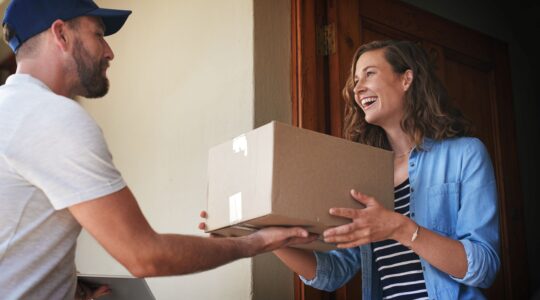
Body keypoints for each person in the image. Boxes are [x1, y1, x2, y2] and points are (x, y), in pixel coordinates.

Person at [0, 0, 314, 299]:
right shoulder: (52, 117)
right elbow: (145, 256)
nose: (109, 52)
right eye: (98, 34)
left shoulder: (10, 111)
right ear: (61, 34)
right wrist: (256, 242)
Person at [271, 40, 500, 299]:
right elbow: (333, 272)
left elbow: (484, 267)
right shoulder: (362, 176)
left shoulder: (465, 154)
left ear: (406, 79)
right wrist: (270, 239)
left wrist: (398, 228)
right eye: (355, 80)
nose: (357, 89)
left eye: (369, 73)